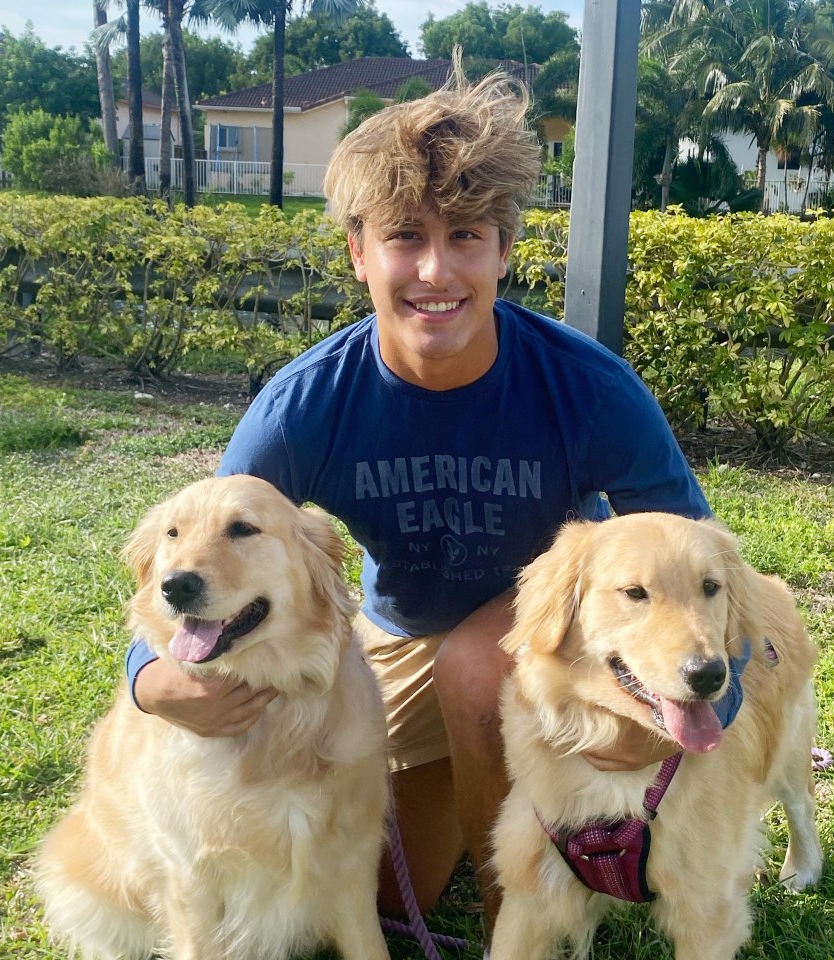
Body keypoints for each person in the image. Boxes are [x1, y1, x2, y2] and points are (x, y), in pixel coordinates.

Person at [126, 65, 710, 932]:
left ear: (505, 250)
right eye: (405, 236)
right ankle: (497, 811)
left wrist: (704, 705)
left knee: (477, 665)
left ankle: (524, 913)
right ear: (359, 252)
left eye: (467, 236)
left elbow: (698, 561)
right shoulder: (306, 406)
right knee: (380, 903)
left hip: (552, 635)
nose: (436, 270)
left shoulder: (588, 388)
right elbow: (199, 555)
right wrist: (150, 683)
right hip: (397, 640)